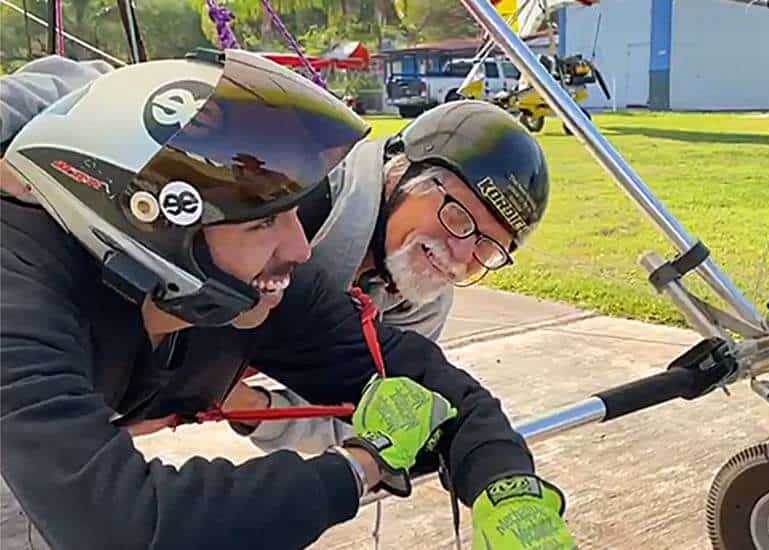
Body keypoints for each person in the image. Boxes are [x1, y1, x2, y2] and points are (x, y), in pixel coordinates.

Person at [0, 49, 576, 550]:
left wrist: (507, 484)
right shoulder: (22, 307)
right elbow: (127, 527)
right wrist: (357, 468)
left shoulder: (249, 286)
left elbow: (432, 386)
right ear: (158, 224)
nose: (301, 249)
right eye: (263, 221)